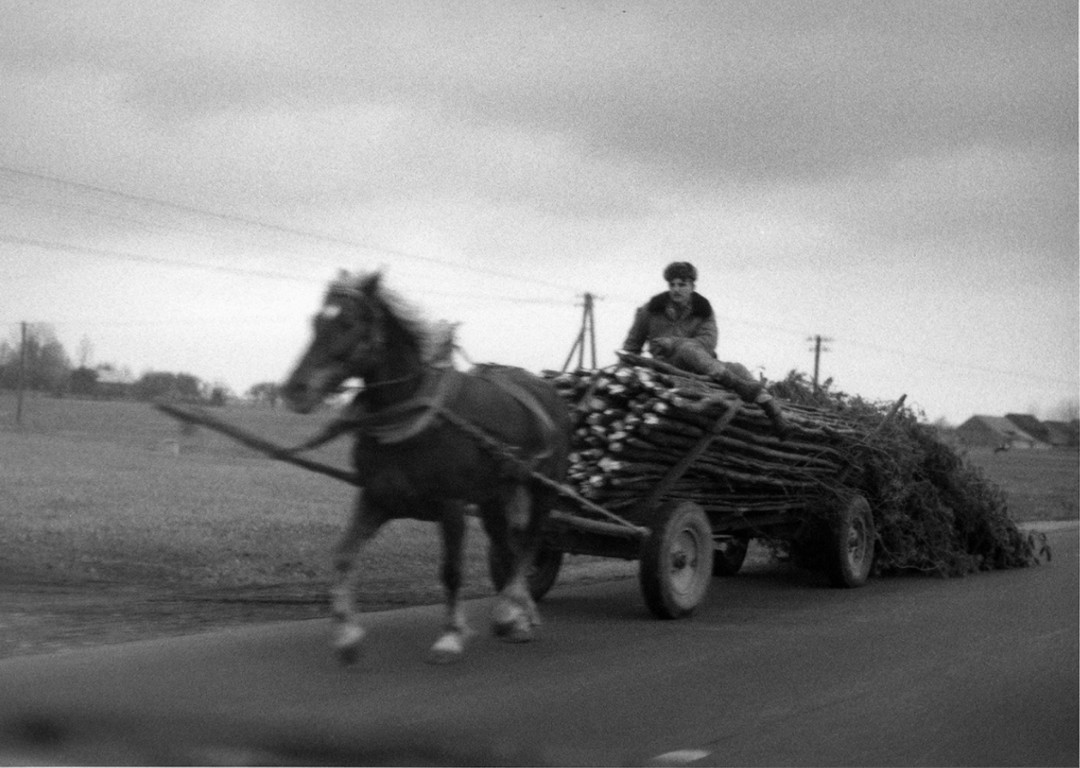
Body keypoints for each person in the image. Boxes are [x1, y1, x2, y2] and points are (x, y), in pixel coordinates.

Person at [622, 261, 789, 438]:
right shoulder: (651, 309)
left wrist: (673, 342)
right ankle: (741, 387)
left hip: (700, 365)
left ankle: (774, 412)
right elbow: (632, 346)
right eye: (672, 285)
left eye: (682, 284)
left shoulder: (703, 310)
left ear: (692, 286)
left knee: (737, 368)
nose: (676, 290)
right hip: (666, 365)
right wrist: (628, 373)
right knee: (687, 348)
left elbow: (708, 342)